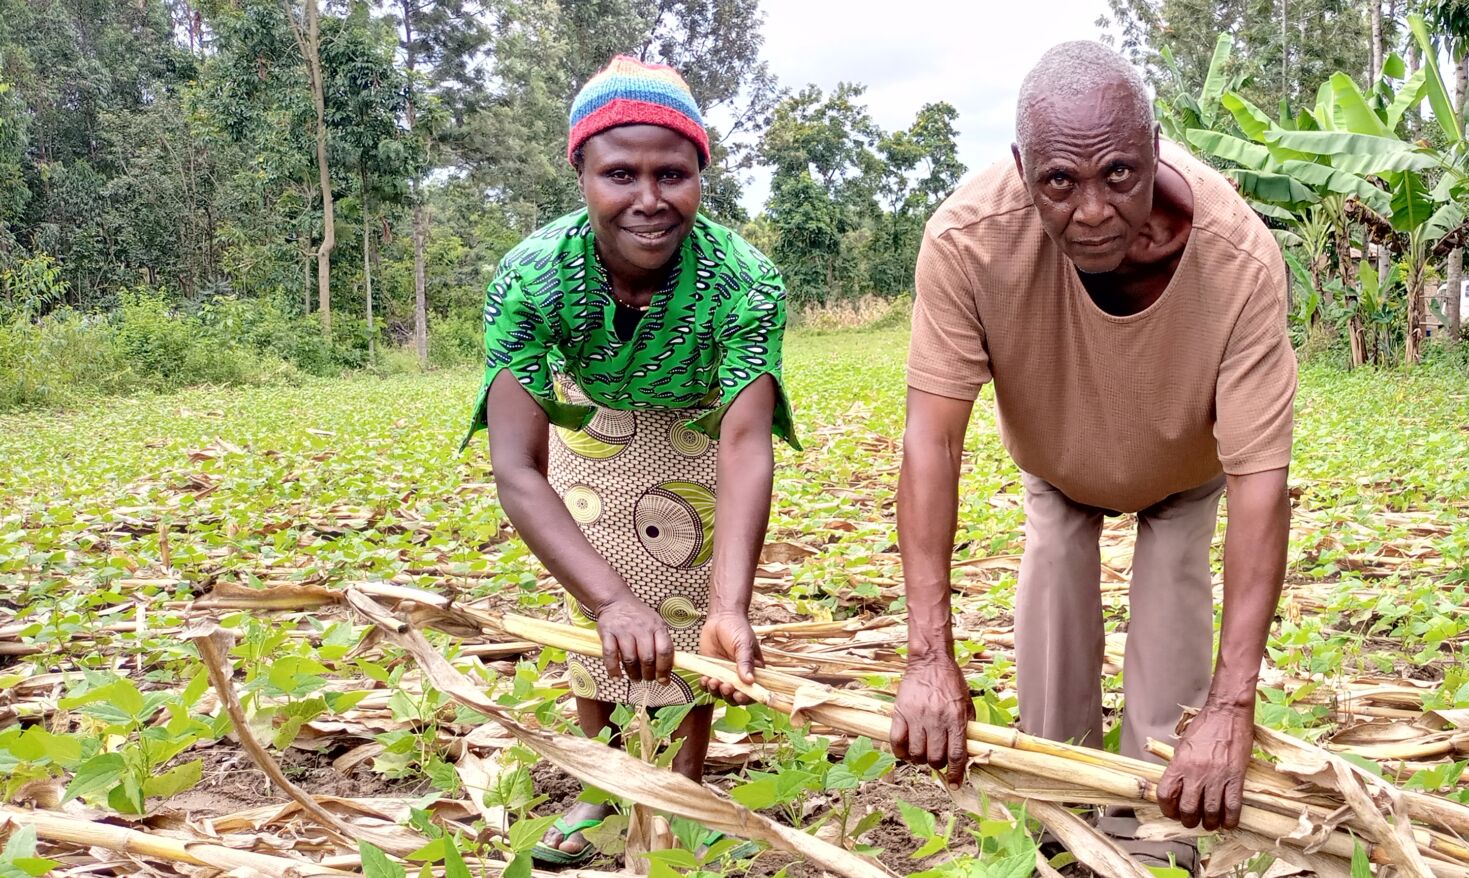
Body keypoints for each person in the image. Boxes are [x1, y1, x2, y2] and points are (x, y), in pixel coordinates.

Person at [887, 40, 1297, 872]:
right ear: (1022, 169)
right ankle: (1055, 811)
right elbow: (932, 440)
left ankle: (1153, 832)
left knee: (1174, 593)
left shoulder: (1240, 261)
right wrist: (929, 657)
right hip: (1057, 461)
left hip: (1184, 469)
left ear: (1155, 150)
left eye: (1119, 174)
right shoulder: (968, 239)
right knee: (1053, 573)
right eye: (1059, 183)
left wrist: (1231, 707)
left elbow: (1262, 486)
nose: (1094, 210)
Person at [465, 55, 797, 867]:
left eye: (672, 174)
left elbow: (744, 441)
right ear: (580, 172)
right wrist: (611, 600)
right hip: (591, 409)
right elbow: (517, 467)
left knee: (688, 589)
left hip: (698, 412)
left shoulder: (746, 281)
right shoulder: (531, 277)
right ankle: (605, 786)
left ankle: (682, 785)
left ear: (700, 177)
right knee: (597, 590)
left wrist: (732, 605)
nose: (649, 199)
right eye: (620, 174)